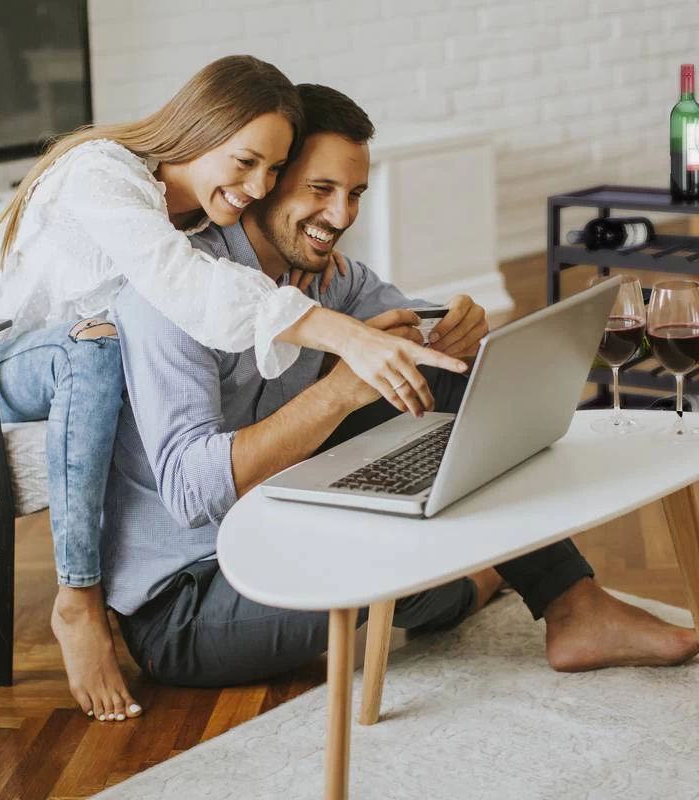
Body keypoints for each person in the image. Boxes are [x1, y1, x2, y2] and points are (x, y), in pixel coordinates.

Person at [103, 82, 699, 696]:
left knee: (436, 377)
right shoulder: (173, 298)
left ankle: (573, 606)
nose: (341, 217)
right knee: (420, 574)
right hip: (193, 596)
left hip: (285, 521)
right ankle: (482, 577)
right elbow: (189, 491)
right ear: (267, 181)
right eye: (320, 190)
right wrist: (338, 391)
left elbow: (419, 333)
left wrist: (458, 330)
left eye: (354, 193)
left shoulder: (331, 279)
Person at [0, 55, 469, 723]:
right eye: (248, 162)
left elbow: (228, 282)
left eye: (274, 171)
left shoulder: (202, 215)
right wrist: (341, 339)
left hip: (124, 378)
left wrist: (441, 325)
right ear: (200, 131)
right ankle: (76, 598)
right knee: (97, 352)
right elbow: (185, 284)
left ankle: (498, 583)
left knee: (430, 391)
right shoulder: (103, 177)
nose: (258, 186)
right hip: (3, 361)